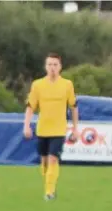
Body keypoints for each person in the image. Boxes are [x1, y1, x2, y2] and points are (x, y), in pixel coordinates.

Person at [23, 52, 79, 201]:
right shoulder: (38, 85)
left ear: (60, 67)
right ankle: (49, 185)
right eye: (49, 64)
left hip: (59, 129)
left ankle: (49, 192)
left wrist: (75, 129)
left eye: (55, 65)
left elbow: (73, 107)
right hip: (43, 128)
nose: (52, 67)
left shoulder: (67, 85)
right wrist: (26, 126)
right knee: (45, 162)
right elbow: (30, 107)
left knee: (53, 158)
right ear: (45, 66)